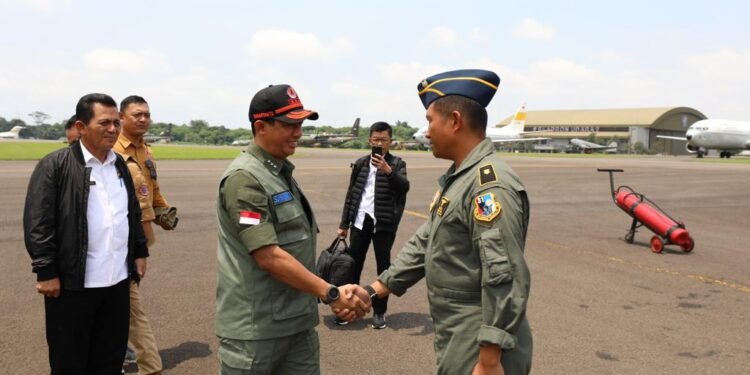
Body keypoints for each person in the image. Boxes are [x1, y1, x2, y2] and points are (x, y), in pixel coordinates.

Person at [362, 69, 533, 374]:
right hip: (460, 334)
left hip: (481, 341)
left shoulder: (488, 186)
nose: (426, 132)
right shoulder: (461, 179)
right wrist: (373, 290)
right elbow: (425, 241)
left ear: (454, 121)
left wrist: (490, 359)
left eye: (430, 120)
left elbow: (503, 275)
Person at [215, 84, 371, 374]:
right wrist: (332, 293)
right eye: (289, 124)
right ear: (261, 126)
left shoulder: (280, 173)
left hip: (297, 322)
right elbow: (268, 256)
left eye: (300, 123)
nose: (298, 132)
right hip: (257, 331)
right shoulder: (245, 179)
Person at [23, 93, 149, 374]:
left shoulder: (119, 165)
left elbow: (131, 213)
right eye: (104, 123)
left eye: (116, 123)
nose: (113, 129)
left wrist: (139, 250)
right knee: (70, 362)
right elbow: (39, 222)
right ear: (81, 127)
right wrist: (46, 270)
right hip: (72, 285)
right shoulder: (55, 166)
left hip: (116, 281)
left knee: (109, 359)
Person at [114, 95, 177, 375]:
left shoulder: (146, 151)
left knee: (123, 295)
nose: (143, 119)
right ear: (121, 116)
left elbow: (152, 188)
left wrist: (163, 211)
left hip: (143, 236)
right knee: (126, 300)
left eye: (146, 115)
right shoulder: (111, 149)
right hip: (120, 237)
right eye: (137, 114)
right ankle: (144, 363)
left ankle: (117, 351)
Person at [336, 121, 409, 329]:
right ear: (369, 140)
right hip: (359, 222)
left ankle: (379, 312)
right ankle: (349, 309)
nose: (379, 143)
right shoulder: (360, 163)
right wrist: (344, 223)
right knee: (353, 267)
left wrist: (388, 171)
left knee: (383, 268)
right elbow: (351, 194)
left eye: (383, 140)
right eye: (375, 139)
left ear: (390, 142)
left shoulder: (397, 164)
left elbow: (404, 187)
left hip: (383, 225)